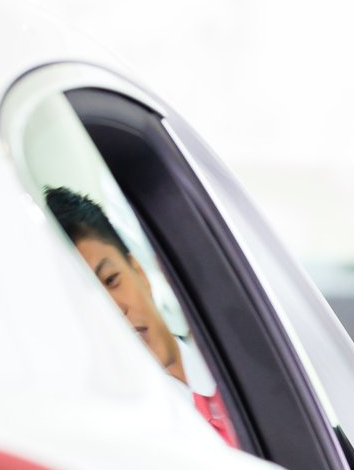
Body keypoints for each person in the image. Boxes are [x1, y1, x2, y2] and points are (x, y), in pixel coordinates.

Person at [44, 185, 240, 448]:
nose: (114, 310)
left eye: (111, 280)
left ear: (139, 272)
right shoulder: (123, 438)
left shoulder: (236, 364)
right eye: (87, 304)